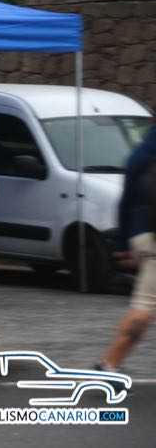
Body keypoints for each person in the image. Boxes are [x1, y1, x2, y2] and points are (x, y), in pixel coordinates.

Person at [97, 123, 156, 378]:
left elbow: (126, 200)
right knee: (144, 307)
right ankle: (109, 366)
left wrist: (123, 244)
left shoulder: (143, 151)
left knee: (146, 303)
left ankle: (109, 365)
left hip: (143, 234)